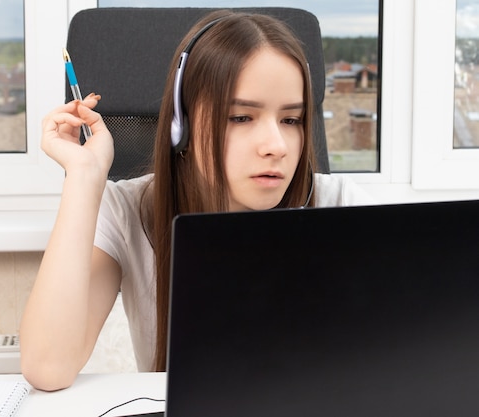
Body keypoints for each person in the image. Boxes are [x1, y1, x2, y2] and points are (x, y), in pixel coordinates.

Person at [19, 10, 374, 391]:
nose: (276, 147)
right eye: (241, 118)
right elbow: (48, 367)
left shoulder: (342, 206)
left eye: (291, 121)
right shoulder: (128, 211)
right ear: (180, 126)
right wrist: (84, 176)